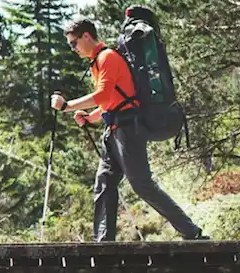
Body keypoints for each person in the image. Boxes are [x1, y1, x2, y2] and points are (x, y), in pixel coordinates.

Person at [51, 18, 205, 242]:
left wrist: (67, 105)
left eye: (73, 43)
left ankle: (190, 231)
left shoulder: (107, 57)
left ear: (86, 36)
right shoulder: (97, 62)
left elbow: (103, 95)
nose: (72, 48)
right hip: (115, 129)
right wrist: (91, 117)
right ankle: (104, 243)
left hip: (128, 129)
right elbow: (110, 102)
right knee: (104, 182)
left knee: (142, 185)